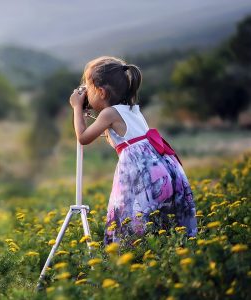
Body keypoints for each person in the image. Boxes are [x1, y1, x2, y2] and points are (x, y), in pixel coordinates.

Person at [69, 56, 197, 245]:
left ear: (101, 92)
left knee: (131, 215)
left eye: (88, 87)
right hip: (164, 170)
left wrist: (76, 108)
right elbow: (120, 139)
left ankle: (132, 255)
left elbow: (83, 137)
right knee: (161, 220)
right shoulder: (132, 109)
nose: (86, 92)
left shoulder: (109, 113)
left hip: (141, 175)